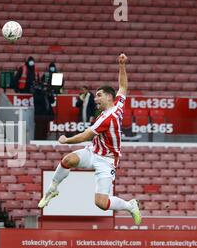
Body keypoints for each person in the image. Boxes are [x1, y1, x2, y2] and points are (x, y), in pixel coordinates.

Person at [38, 53, 142, 225]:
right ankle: (52, 190)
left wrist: (66, 140)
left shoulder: (106, 118)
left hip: (107, 161)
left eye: (99, 95)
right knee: (68, 160)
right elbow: (123, 87)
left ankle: (130, 205)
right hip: (93, 152)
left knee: (101, 203)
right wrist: (122, 64)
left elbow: (85, 136)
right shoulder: (118, 105)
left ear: (109, 97)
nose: (96, 98)